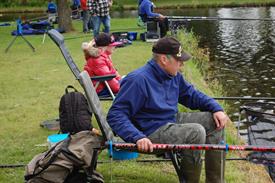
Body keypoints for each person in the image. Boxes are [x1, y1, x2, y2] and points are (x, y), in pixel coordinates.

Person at [107, 37, 229, 183]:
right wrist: (137, 136)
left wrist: (216, 108)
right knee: (195, 132)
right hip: (149, 131)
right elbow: (115, 115)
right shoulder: (138, 80)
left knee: (215, 122)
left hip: (170, 120)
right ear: (164, 60)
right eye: (179, 61)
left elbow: (192, 95)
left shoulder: (173, 76)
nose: (182, 64)